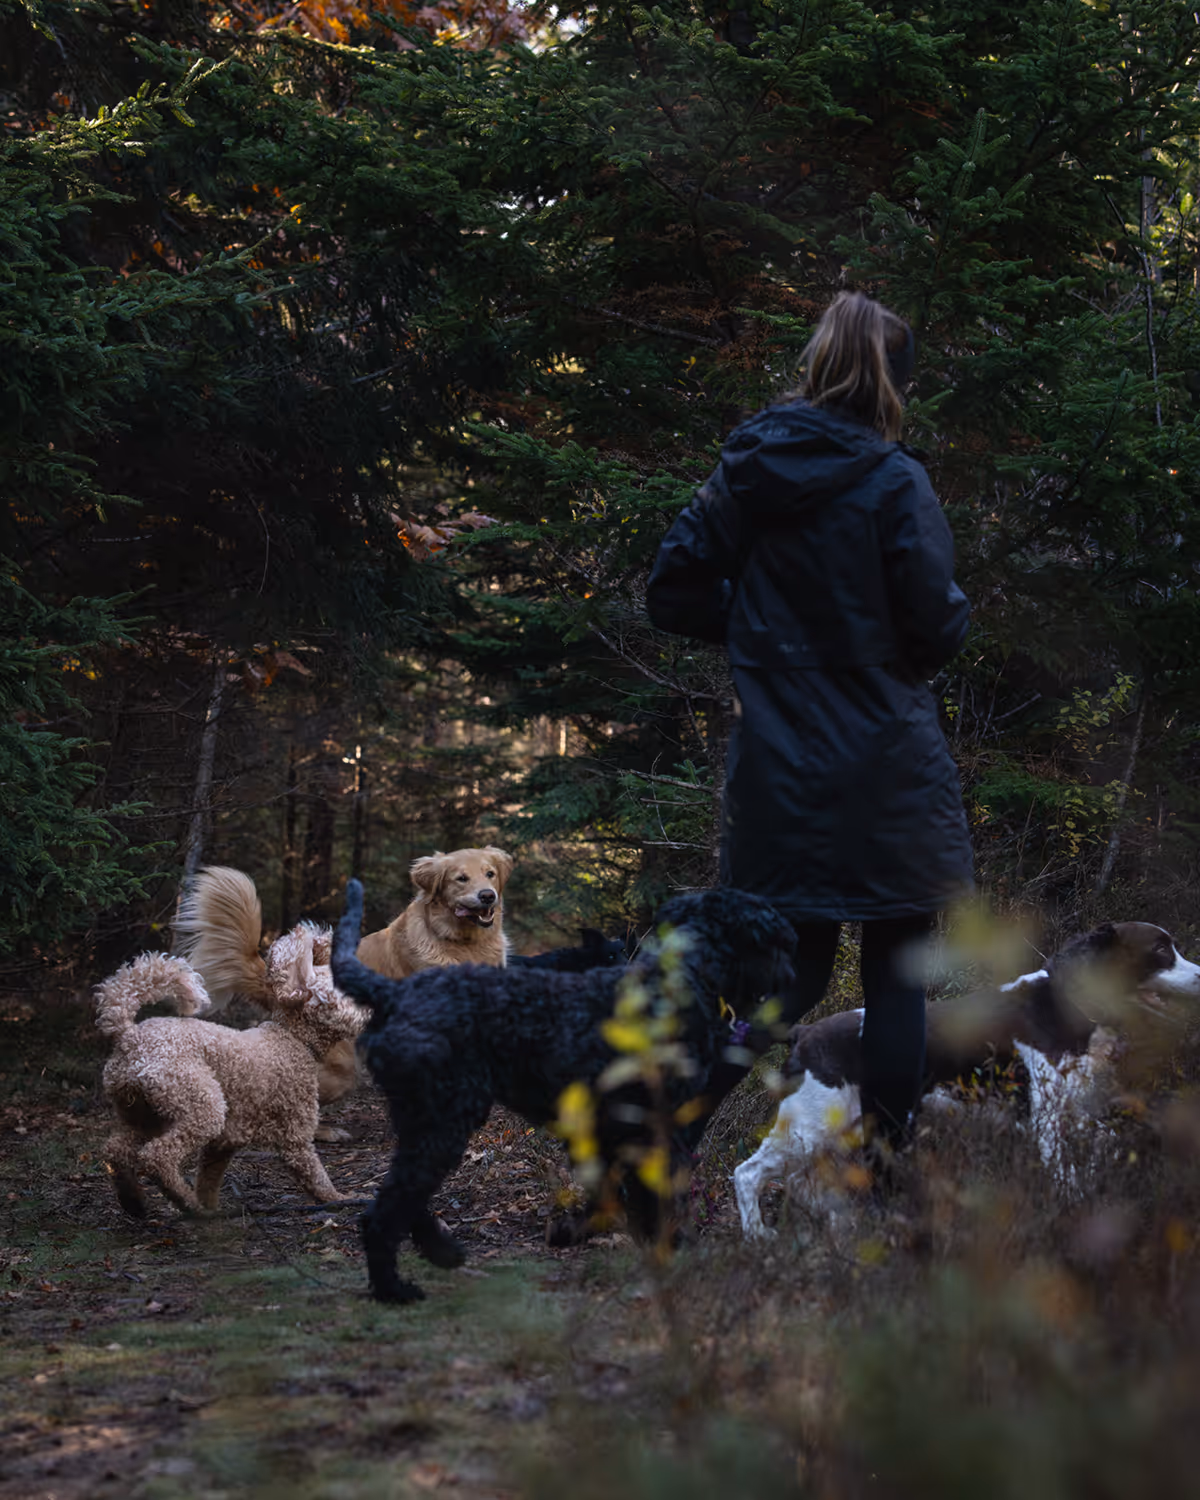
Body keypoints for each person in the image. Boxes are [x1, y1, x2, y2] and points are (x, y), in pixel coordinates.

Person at [645, 290, 973, 1165]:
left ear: (818, 363)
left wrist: (761, 638)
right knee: (899, 978)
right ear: (891, 382)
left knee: (791, 983)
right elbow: (938, 627)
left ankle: (666, 1140)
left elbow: (672, 593)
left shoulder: (745, 473)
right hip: (888, 769)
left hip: (780, 772)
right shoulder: (896, 480)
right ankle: (887, 1177)